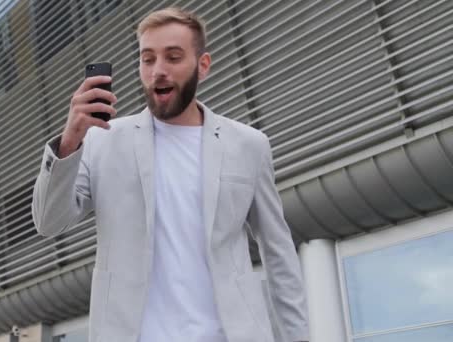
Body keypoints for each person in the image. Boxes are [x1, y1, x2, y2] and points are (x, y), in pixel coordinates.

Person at [32, 7, 309, 342]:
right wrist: (69, 141)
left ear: (202, 65)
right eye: (147, 59)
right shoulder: (101, 141)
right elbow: (48, 222)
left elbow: (278, 253)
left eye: (173, 57)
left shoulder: (249, 145)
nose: (158, 71)